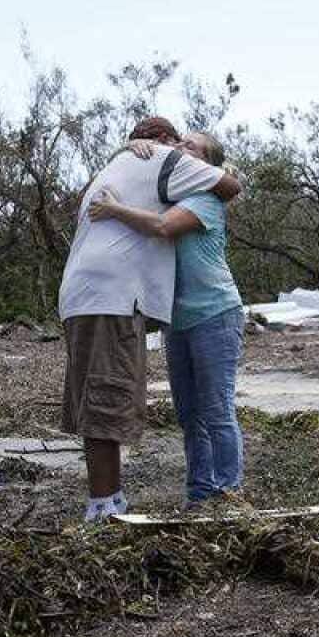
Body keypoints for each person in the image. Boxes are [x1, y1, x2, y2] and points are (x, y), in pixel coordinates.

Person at [58, 117, 241, 521]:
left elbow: (164, 225)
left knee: (215, 410)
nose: (180, 147)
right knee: (185, 412)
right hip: (158, 312)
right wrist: (139, 146)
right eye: (177, 141)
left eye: (189, 145)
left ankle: (228, 493)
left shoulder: (198, 195)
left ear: (206, 164)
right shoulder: (160, 169)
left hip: (213, 312)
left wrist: (118, 202)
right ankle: (190, 493)